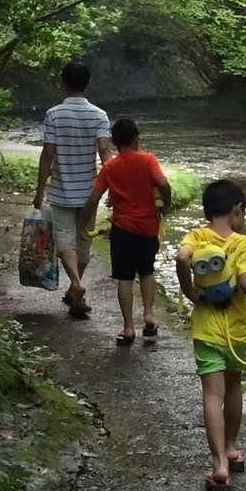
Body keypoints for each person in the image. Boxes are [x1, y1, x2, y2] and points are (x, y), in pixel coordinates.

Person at [176, 179, 246, 491]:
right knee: (234, 386)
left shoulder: (197, 237)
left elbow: (181, 257)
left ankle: (219, 467)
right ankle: (230, 447)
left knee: (212, 395)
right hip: (238, 330)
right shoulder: (243, 243)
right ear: (237, 210)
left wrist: (189, 292)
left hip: (206, 329)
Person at [81, 117, 172, 346]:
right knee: (147, 271)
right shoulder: (148, 159)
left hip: (122, 231)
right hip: (148, 228)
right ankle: (149, 315)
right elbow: (163, 184)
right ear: (137, 138)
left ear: (113, 141)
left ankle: (128, 327)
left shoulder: (110, 166)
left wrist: (82, 224)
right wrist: (166, 203)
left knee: (124, 278)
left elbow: (93, 198)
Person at [33, 61, 110, 318]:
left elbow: (47, 155)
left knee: (65, 241)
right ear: (88, 84)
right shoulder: (99, 115)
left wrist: (40, 189)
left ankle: (76, 285)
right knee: (83, 241)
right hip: (89, 192)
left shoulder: (54, 114)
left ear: (63, 83)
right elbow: (104, 153)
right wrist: (115, 189)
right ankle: (73, 291)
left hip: (61, 192)